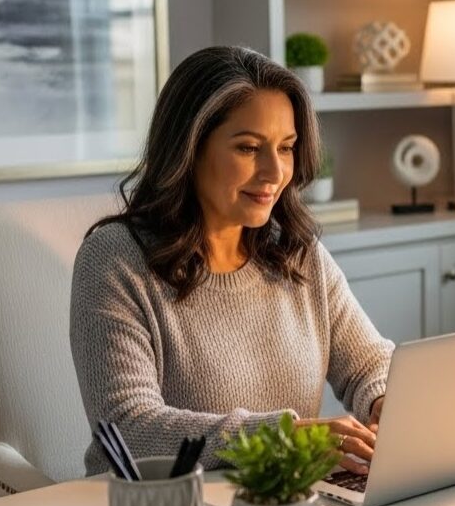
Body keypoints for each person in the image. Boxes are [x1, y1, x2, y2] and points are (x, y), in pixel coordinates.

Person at [70, 46, 392, 476]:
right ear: (189, 149)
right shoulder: (114, 260)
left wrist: (385, 402)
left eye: (286, 148)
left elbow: (370, 365)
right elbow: (127, 427)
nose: (274, 172)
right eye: (248, 148)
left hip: (282, 498)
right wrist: (284, 437)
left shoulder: (297, 254)